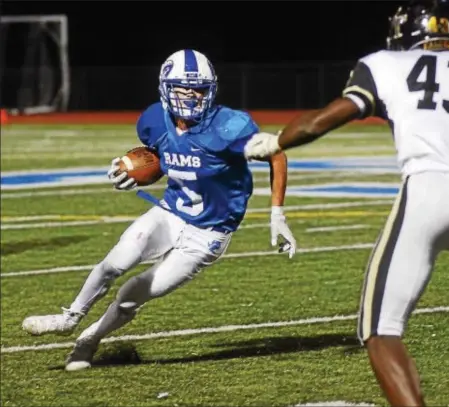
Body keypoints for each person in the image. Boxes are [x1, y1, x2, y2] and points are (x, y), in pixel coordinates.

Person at [22, 49, 297, 371]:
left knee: (133, 294)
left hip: (209, 231)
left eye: (198, 89)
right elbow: (160, 156)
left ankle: (89, 340)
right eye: (182, 87)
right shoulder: (153, 119)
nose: (191, 96)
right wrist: (133, 169)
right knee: (115, 262)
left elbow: (277, 154)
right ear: (166, 87)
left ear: (211, 90)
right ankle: (69, 317)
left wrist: (277, 212)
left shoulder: (230, 126)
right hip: (170, 212)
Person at [244, 1, 449, 405]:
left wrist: (277, 142)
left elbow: (320, 120)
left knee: (381, 329)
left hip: (427, 192)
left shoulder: (385, 64)